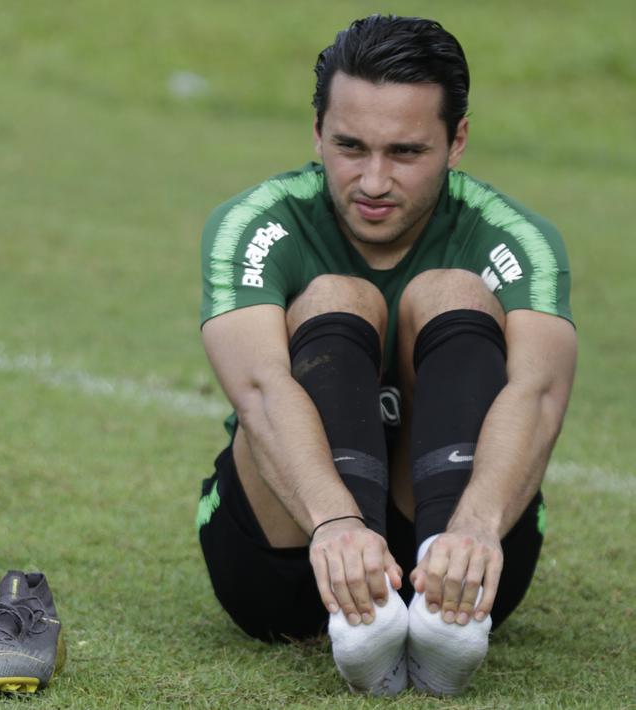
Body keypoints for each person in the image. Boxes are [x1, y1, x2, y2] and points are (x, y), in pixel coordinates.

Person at [194, 15, 576, 696]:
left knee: (450, 291)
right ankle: (358, 611)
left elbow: (538, 396)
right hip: (288, 558)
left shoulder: (513, 238)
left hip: (469, 564)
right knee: (337, 298)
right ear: (316, 132)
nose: (371, 181)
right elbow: (257, 388)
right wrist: (336, 524)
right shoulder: (256, 222)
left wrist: (478, 528)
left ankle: (443, 603)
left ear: (455, 141)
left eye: (404, 152)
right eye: (348, 146)